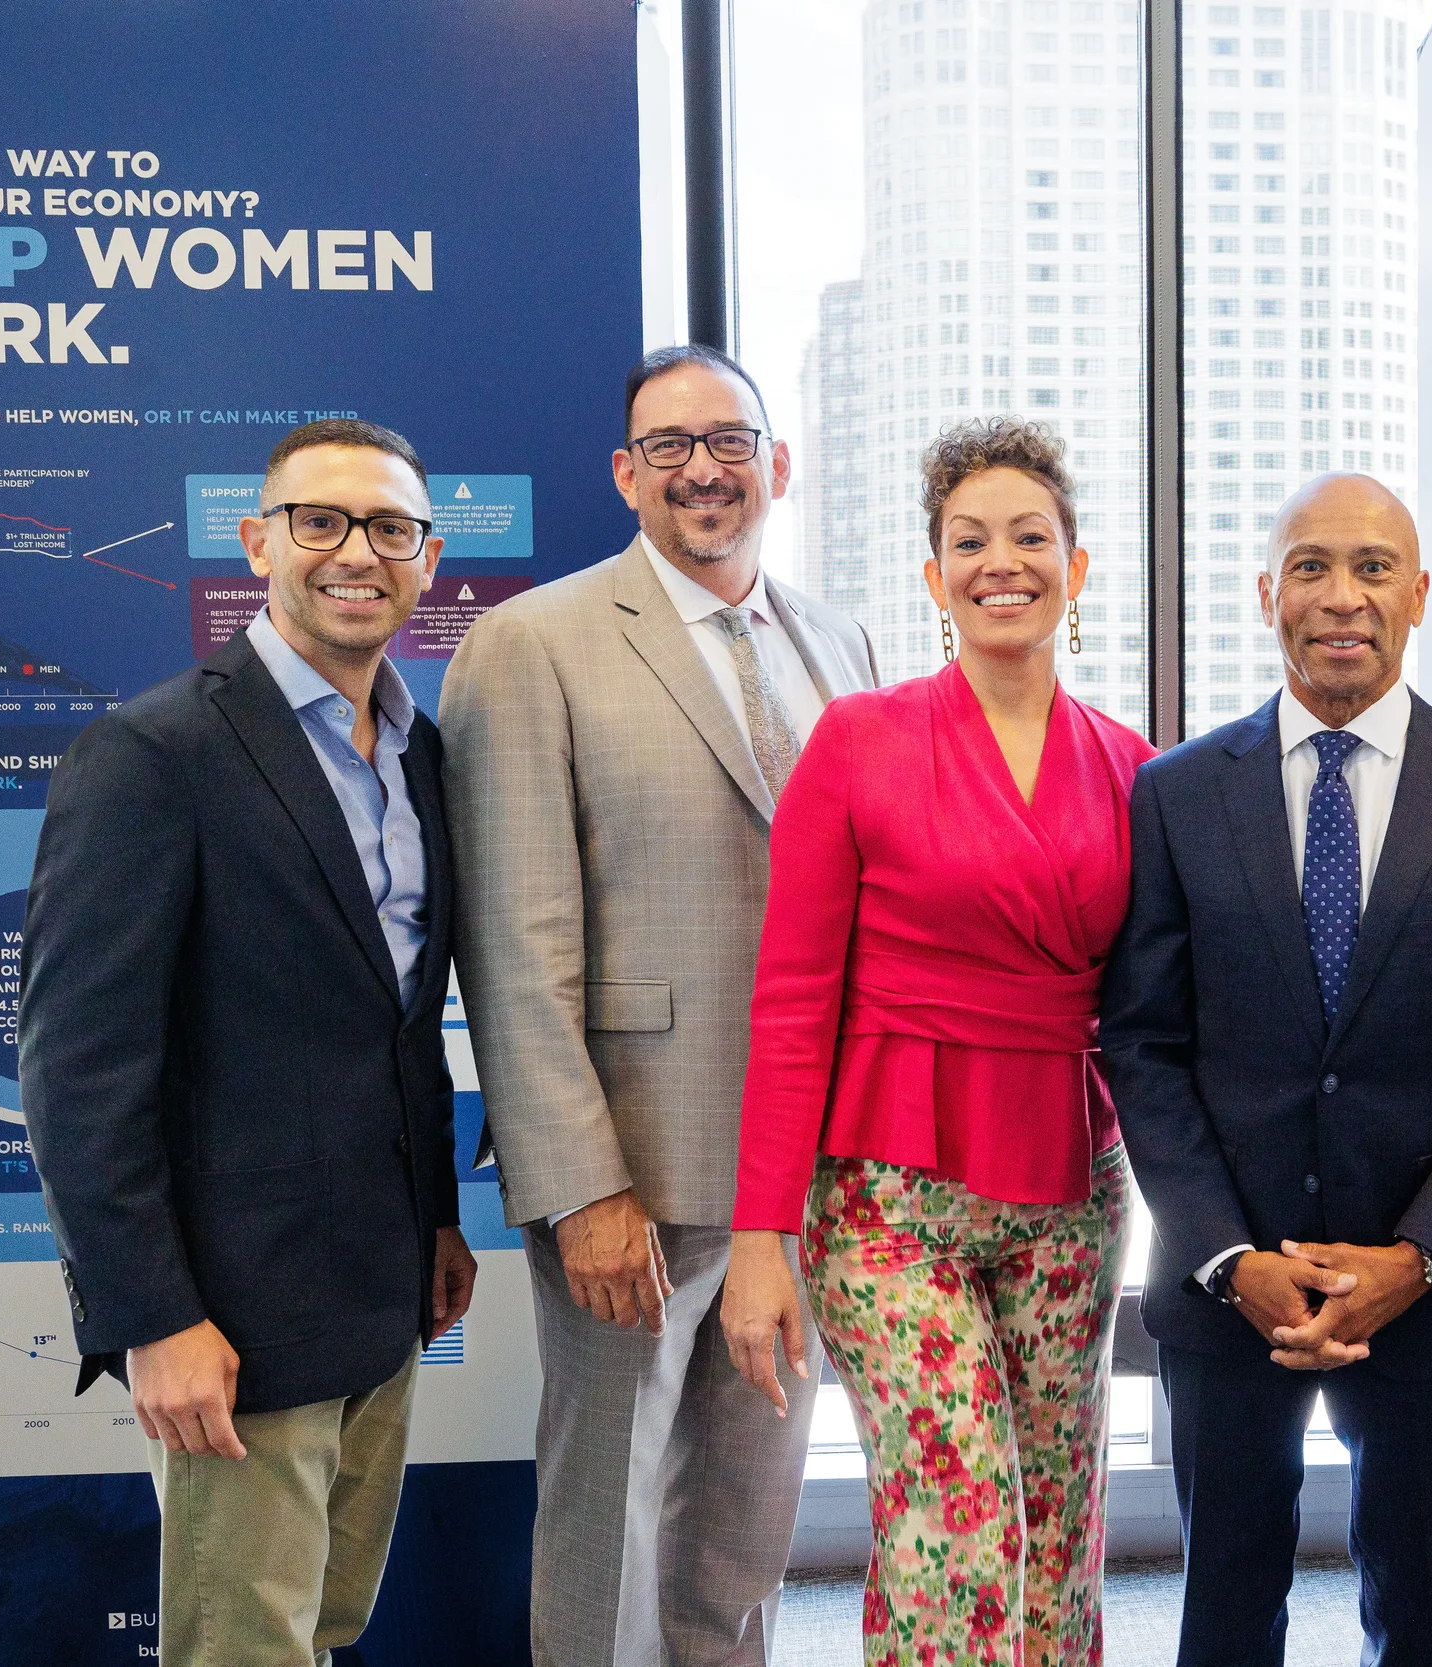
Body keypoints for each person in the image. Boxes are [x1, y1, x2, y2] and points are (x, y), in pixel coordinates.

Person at [1101, 473, 1432, 1666]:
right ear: (1267, 593)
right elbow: (1144, 1045)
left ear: (1417, 595)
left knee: (1419, 1609)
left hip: (1426, 1292)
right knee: (1223, 1605)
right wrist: (1229, 1256)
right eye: (1310, 566)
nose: (1341, 597)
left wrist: (1417, 1256)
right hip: (1231, 1290)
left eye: (1373, 567)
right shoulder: (1174, 793)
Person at [440, 344, 880, 1666]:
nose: (705, 467)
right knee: (607, 1512)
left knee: (746, 1514)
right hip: (631, 1163)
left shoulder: (838, 638)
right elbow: (511, 942)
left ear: (778, 465)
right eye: (671, 445)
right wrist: (580, 1184)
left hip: (799, 1171)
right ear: (628, 474)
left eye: (731, 441)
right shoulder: (532, 642)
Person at [21, 418, 475, 1667]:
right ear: (256, 541)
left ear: (427, 559)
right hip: (230, 1311)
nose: (355, 552)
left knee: (321, 1621)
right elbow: (76, 1070)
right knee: (241, 1643)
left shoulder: (422, 752)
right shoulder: (153, 752)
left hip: (382, 1290)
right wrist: (147, 1314)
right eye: (320, 520)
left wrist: (436, 1215)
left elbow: (402, 1021)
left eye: (389, 528)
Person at [720, 416, 1154, 1664]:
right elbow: (793, 999)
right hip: (885, 1191)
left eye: (1030, 536)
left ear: (1077, 567)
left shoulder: (1130, 764)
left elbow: (1150, 1008)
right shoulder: (858, 742)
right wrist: (764, 1237)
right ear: (933, 575)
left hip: (1075, 1185)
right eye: (969, 540)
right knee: (956, 1518)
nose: (999, 560)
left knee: (1059, 1516)